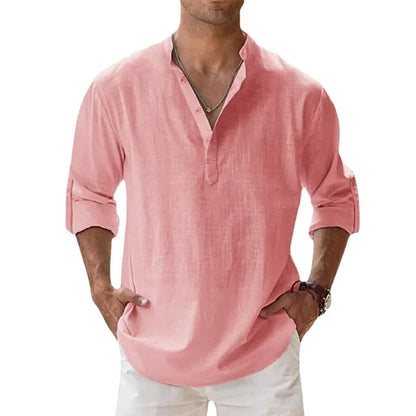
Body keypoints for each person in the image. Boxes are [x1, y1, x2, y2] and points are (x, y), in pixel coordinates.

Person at [65, 0, 360, 414]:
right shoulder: (117, 89)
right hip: (152, 354)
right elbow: (89, 192)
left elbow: (335, 197)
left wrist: (317, 293)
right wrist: (100, 289)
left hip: (263, 354)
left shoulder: (302, 96)